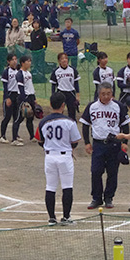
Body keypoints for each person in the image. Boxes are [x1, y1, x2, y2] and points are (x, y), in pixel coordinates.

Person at [80, 84, 130, 210]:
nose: (106, 96)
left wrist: (124, 142)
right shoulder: (92, 107)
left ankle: (109, 197)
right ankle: (96, 198)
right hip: (98, 143)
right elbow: (85, 125)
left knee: (112, 172)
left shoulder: (118, 106)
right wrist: (87, 142)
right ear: (98, 94)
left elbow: (125, 125)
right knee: (96, 171)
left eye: (109, 93)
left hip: (114, 143)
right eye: (103, 94)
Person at [38, 91, 82, 226]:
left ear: (51, 104)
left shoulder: (44, 121)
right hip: (65, 156)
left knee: (50, 187)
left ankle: (51, 218)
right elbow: (75, 141)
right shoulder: (69, 122)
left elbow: (40, 140)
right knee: (67, 186)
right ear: (63, 105)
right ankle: (66, 217)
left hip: (50, 156)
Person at [15, 56, 39, 144]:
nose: (29, 63)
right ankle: (14, 138)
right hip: (23, 97)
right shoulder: (20, 74)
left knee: (30, 117)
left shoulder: (28, 73)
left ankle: (32, 136)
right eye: (27, 61)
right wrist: (24, 100)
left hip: (31, 96)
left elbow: (30, 86)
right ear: (22, 63)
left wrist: (34, 98)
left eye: (30, 61)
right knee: (19, 118)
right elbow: (21, 88)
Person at [49, 53, 80, 120]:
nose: (64, 60)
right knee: (59, 113)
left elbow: (76, 83)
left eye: (66, 58)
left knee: (72, 113)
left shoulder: (72, 70)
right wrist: (53, 96)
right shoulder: (56, 71)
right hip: (60, 92)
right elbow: (53, 85)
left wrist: (77, 95)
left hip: (71, 93)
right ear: (59, 61)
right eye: (62, 59)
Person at [0, 53, 21, 145]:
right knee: (7, 117)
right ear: (8, 61)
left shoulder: (19, 71)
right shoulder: (6, 72)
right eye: (12, 59)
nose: (15, 61)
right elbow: (5, 87)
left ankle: (15, 136)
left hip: (17, 95)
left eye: (16, 59)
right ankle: (2, 136)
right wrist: (7, 98)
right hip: (10, 94)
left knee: (16, 117)